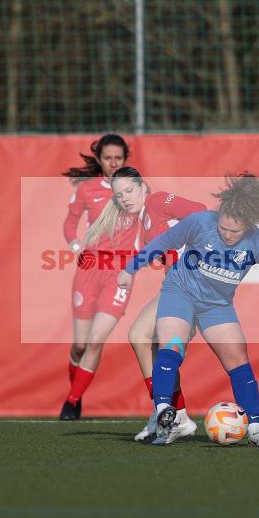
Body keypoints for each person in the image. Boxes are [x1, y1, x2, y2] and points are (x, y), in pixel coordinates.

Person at [118, 173, 259, 446]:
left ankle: (254, 428)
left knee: (238, 359)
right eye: (223, 229)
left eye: (235, 231)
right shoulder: (200, 222)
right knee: (171, 346)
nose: (228, 235)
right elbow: (162, 243)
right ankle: (164, 413)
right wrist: (130, 269)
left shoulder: (258, 242)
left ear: (249, 225)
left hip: (216, 306)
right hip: (180, 293)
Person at [101, 168, 208, 442]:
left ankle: (165, 412)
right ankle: (174, 415)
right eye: (118, 195)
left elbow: (201, 211)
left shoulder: (157, 201)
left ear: (143, 187)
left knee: (142, 336)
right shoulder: (145, 219)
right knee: (151, 343)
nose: (125, 198)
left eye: (129, 190)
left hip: (190, 286)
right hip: (178, 288)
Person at [59, 134, 132, 420]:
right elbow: (70, 223)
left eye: (118, 158)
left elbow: (153, 222)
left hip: (120, 274)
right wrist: (77, 247)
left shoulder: (138, 189)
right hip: (89, 270)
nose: (113, 163)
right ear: (99, 160)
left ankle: (72, 401)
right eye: (108, 158)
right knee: (80, 345)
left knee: (96, 341)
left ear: (125, 159)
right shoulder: (87, 190)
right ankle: (75, 389)